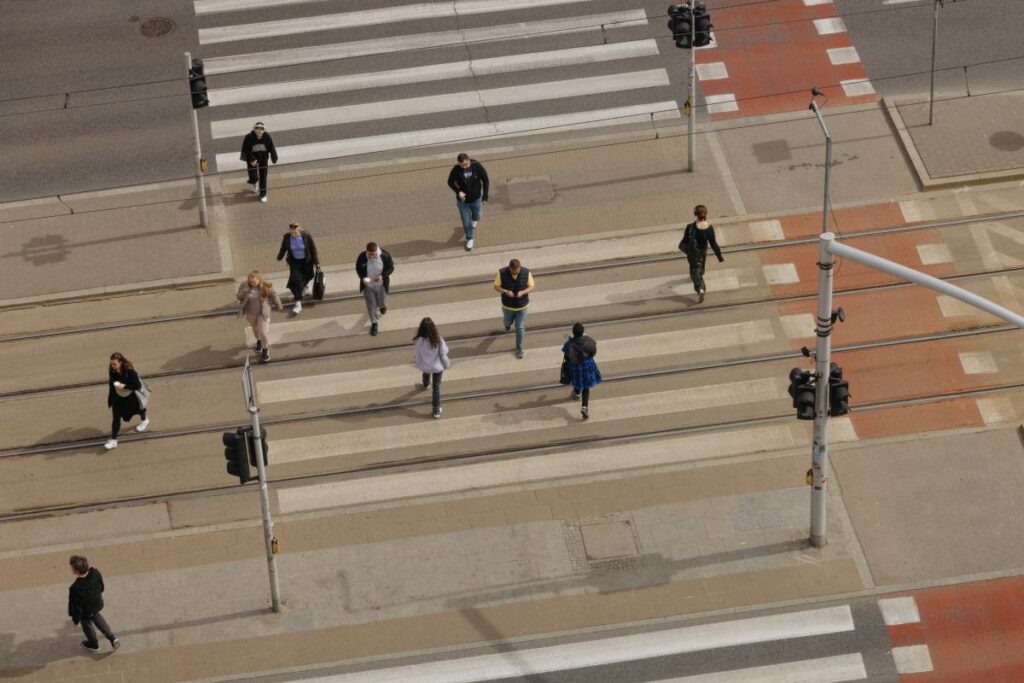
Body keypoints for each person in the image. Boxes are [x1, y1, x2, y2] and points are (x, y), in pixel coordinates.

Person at [68, 555, 120, 653]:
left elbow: (76, 606)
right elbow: (101, 586)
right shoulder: (95, 573)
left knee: (87, 625)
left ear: (77, 571)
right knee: (97, 618)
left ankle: (93, 644)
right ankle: (112, 638)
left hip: (86, 611)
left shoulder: (76, 588)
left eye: (72, 568)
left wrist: (75, 619)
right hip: (97, 604)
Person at [679, 204, 724, 303]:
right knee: (702, 263)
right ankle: (701, 271)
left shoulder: (690, 227)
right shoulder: (710, 228)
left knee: (694, 272)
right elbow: (713, 244)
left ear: (695, 214)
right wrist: (719, 256)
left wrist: (686, 250)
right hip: (703, 250)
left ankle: (700, 288)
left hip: (694, 253)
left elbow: (685, 241)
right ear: (706, 214)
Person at [105, 353, 150, 450]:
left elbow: (137, 386)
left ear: (121, 362)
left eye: (114, 364)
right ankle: (114, 441)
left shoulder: (129, 371)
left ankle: (144, 420)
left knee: (138, 409)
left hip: (130, 397)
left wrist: (124, 386)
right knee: (116, 418)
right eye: (111, 364)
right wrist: (111, 398)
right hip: (118, 398)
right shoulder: (112, 370)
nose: (112, 366)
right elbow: (111, 382)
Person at [446, 153, 489, 252]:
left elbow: (485, 180)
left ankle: (474, 221)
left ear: (469, 160)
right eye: (462, 165)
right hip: (463, 202)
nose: (465, 166)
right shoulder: (456, 169)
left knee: (478, 216)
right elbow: (450, 181)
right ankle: (470, 238)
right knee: (466, 222)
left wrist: (485, 196)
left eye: (466, 164)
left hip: (476, 199)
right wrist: (458, 191)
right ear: (459, 163)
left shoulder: (477, 166)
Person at [236, 271, 283, 361]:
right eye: (250, 282)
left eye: (254, 282)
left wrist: (279, 305)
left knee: (263, 332)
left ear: (259, 280)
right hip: (250, 313)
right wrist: (244, 293)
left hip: (263, 313)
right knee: (255, 329)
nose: (252, 284)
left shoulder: (265, 286)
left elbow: (274, 295)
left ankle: (265, 348)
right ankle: (258, 341)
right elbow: (238, 296)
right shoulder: (244, 285)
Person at [276, 222, 320, 314]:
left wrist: (317, 264)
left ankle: (306, 285)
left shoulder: (306, 235)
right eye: (292, 233)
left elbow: (313, 249)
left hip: (307, 260)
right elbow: (283, 247)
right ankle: (298, 303)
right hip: (294, 261)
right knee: (296, 281)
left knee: (308, 275)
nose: (294, 235)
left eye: (295, 233)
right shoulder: (287, 237)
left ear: (299, 230)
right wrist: (279, 257)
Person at [493, 258, 534, 359]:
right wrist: (505, 291)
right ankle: (507, 326)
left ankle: (519, 349)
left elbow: (532, 286)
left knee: (519, 326)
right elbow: (496, 286)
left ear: (520, 268)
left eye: (517, 271)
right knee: (507, 321)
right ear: (510, 268)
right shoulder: (502, 273)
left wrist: (523, 292)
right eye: (513, 272)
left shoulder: (526, 272)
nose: (515, 273)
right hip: (508, 306)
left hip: (522, 306)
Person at [562, 323, 601, 420]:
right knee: (586, 386)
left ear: (573, 333)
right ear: (583, 332)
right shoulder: (589, 341)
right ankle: (584, 407)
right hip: (587, 365)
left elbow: (566, 356)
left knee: (576, 380)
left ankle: (576, 393)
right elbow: (593, 352)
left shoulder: (569, 343)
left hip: (575, 366)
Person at [355, 242, 394, 337]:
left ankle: (383, 305)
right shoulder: (362, 257)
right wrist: (363, 278)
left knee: (382, 302)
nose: (372, 257)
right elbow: (358, 269)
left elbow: (391, 268)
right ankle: (374, 323)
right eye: (370, 255)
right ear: (367, 252)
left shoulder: (384, 256)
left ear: (377, 251)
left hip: (381, 286)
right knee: (371, 305)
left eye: (374, 255)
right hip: (368, 287)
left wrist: (382, 276)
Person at [413, 318, 449, 419]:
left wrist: (419, 363)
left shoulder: (419, 341)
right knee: (436, 387)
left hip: (425, 365)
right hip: (437, 367)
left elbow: (418, 354)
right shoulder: (437, 338)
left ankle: (425, 384)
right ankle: (436, 410)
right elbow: (445, 351)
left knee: (426, 374)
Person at [240, 121, 278, 203]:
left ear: (264, 130)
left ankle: (263, 194)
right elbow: (246, 149)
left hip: (263, 158)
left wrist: (274, 157)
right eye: (257, 128)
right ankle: (254, 183)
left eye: (261, 129)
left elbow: (271, 147)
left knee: (263, 176)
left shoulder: (267, 137)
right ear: (254, 129)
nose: (259, 131)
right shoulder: (249, 137)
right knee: (253, 175)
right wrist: (252, 159)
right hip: (252, 157)